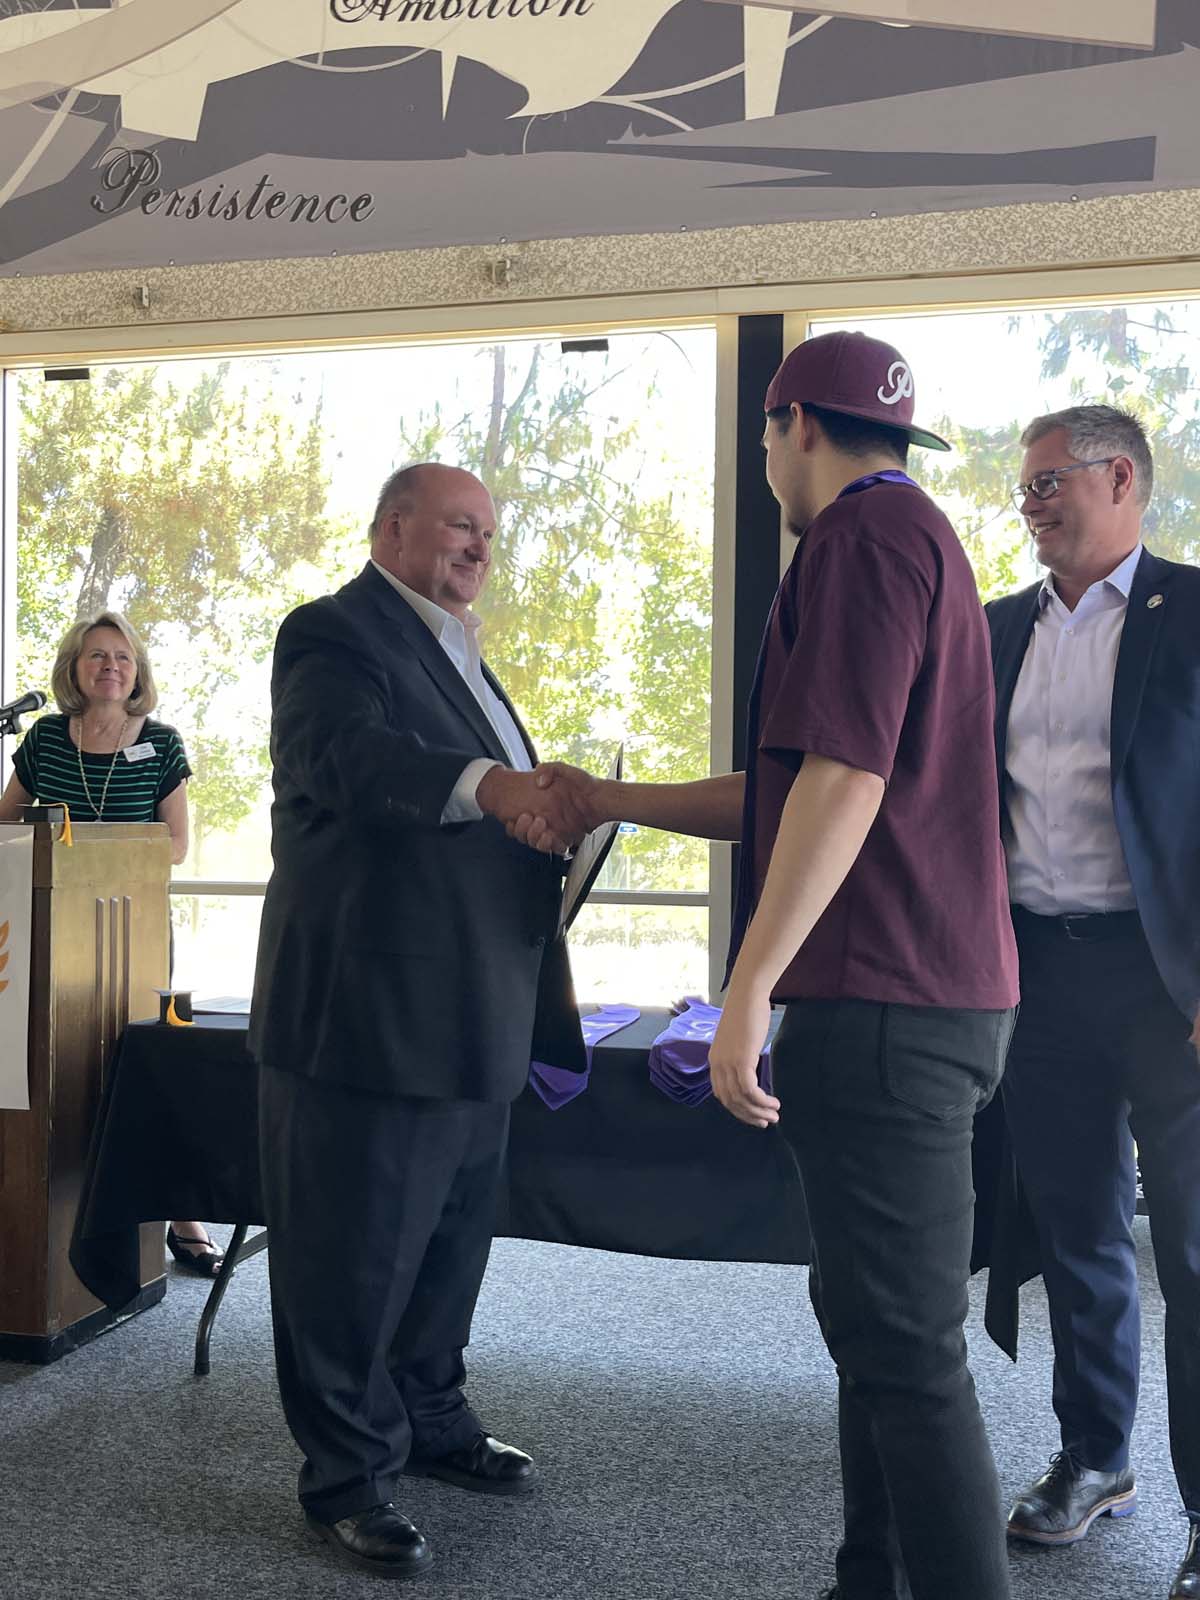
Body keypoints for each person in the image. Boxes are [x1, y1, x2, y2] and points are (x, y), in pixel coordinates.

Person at [525, 330, 1020, 1600]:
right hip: (932, 992)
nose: (762, 457)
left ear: (794, 423)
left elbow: (845, 780)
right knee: (874, 1328)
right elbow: (793, 788)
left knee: (904, 1348)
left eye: (760, 435)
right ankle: (872, 1577)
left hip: (885, 1000)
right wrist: (616, 797)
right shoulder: (923, 539)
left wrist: (745, 985)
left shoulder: (858, 540)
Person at [248, 462, 588, 1580]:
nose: (478, 547)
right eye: (457, 525)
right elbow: (344, 761)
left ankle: (432, 1418)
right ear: (392, 525)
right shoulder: (331, 634)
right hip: (366, 1015)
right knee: (350, 1256)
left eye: (487, 531)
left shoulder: (464, 653)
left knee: (447, 1243)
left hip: (473, 1007)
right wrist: (499, 788)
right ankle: (345, 1476)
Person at [989, 405, 1200, 1600]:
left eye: (1047, 483)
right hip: (1040, 973)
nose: (1030, 505)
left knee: (1195, 1245)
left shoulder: (1195, 610)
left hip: (1171, 977)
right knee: (1073, 1230)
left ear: (1122, 476)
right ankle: (1095, 1455)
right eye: (1023, 490)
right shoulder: (996, 629)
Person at [0, 610, 220, 1277]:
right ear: (74, 669)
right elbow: (6, 827)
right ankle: (40, 1209)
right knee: (55, 1068)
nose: (110, 667)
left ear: (138, 675)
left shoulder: (162, 742)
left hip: (133, 932)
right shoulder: (43, 741)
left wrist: (101, 853)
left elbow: (175, 845)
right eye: (97, 656)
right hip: (47, 937)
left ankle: (180, 1214)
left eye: (123, 658)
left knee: (144, 1067)